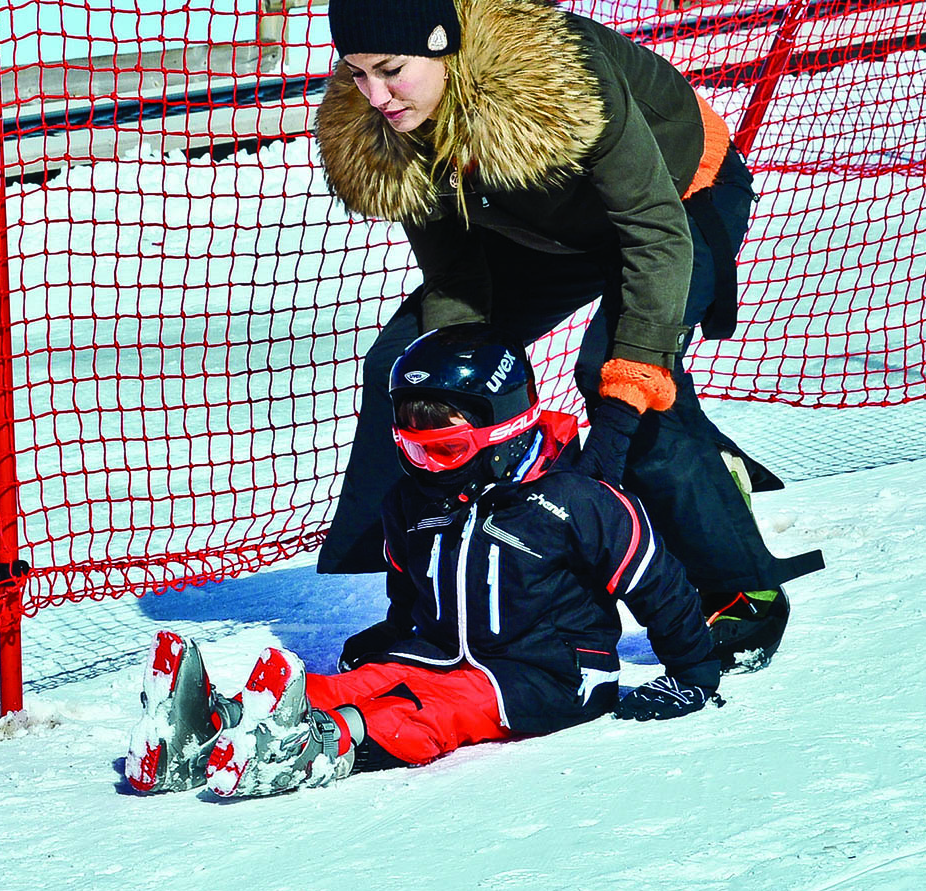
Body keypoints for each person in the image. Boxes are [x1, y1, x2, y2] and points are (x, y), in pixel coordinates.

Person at [312, 0, 823, 667]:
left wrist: (615, 422)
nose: (375, 96)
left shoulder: (560, 76)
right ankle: (425, 597)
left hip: (680, 196)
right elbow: (455, 272)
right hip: (548, 231)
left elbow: (651, 230)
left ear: (444, 44)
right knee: (413, 366)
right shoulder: (384, 125)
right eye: (356, 73)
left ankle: (741, 593)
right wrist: (456, 380)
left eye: (390, 70)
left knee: (621, 376)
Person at [125, 326, 724, 799]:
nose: (427, 466)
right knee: (363, 680)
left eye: (446, 450)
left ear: (507, 430)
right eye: (412, 449)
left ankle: (326, 743)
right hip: (443, 651)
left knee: (432, 710)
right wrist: (392, 633)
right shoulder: (414, 500)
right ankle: (216, 721)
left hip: (549, 678)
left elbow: (660, 585)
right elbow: (409, 583)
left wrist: (694, 675)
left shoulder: (575, 500)